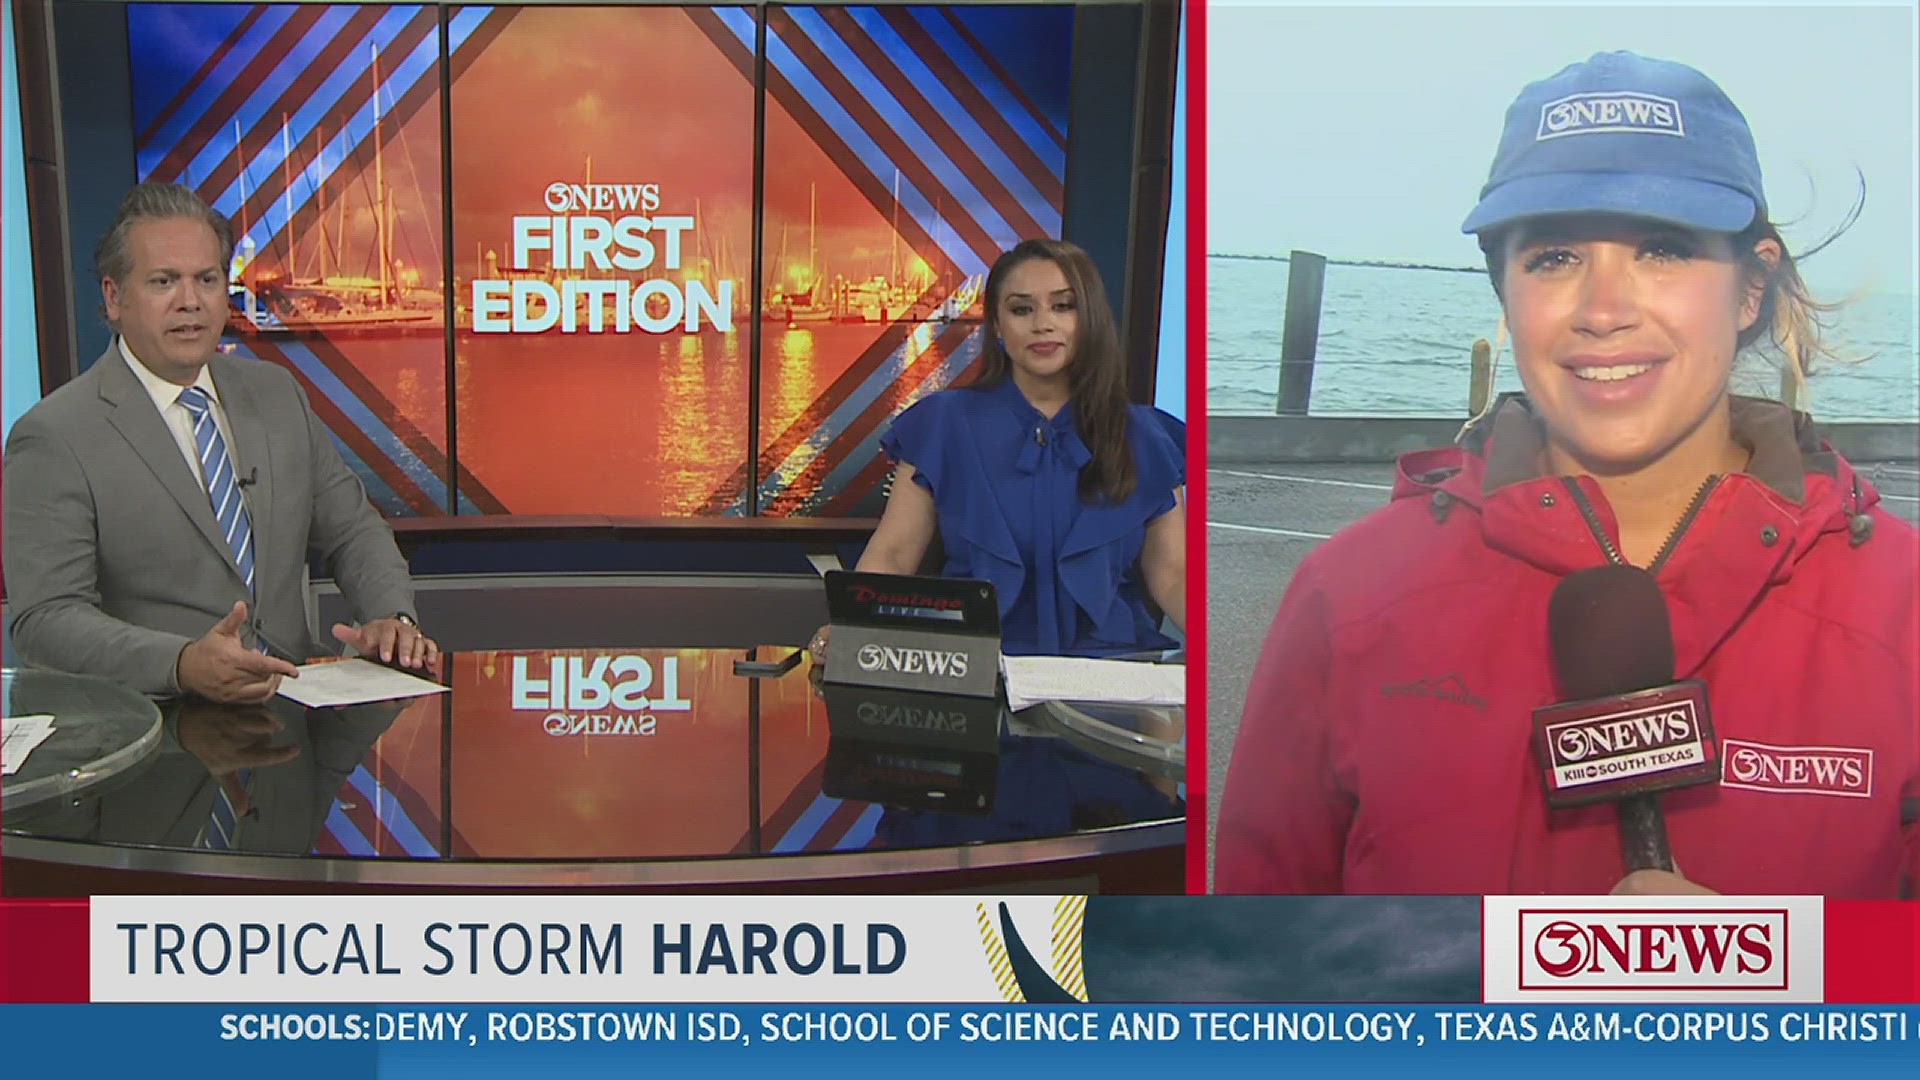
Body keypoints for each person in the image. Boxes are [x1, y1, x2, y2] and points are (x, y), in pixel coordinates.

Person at [1215, 52, 1916, 898]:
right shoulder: (1349, 594)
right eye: (1554, 257)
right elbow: (1253, 980)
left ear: (1752, 287)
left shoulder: (1899, 606)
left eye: (1663, 250)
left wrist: (1777, 977)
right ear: (1503, 289)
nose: (1604, 309)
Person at [3, 182, 438, 704]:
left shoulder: (277, 395)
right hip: (158, 727)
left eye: (206, 280)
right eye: (164, 281)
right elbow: (46, 621)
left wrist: (390, 614)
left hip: (294, 721)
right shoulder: (56, 435)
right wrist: (181, 664)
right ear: (114, 297)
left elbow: (353, 530)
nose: (190, 302)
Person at [809, 238, 1186, 661]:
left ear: (1091, 318)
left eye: (1063, 306)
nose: (1043, 324)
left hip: (1113, 669)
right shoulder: (943, 424)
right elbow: (895, 553)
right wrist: (850, 625)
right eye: (1022, 309)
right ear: (998, 325)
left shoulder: (1147, 436)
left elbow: (1172, 574)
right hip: (972, 665)